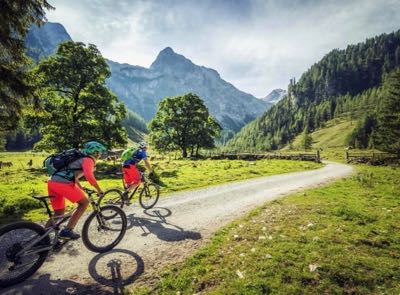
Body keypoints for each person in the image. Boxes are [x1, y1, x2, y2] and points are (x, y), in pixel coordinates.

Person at [47, 141, 107, 239]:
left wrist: (81, 187)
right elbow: (89, 176)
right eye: (99, 152)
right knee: (84, 203)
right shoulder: (89, 159)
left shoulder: (79, 158)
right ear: (95, 152)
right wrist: (99, 190)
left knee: (59, 212)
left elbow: (73, 176)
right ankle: (67, 230)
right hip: (63, 184)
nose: (100, 154)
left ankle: (42, 237)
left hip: (52, 182)